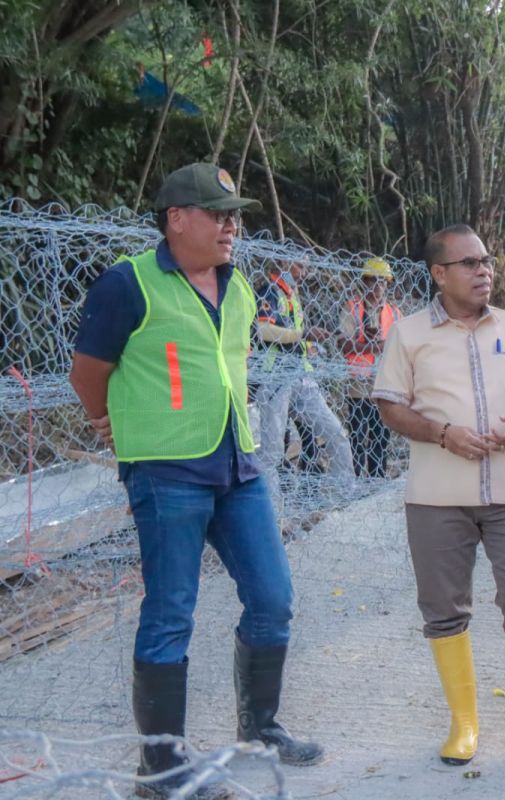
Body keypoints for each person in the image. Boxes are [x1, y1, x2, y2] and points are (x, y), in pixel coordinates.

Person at [68, 163, 322, 800]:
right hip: (167, 472)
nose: (232, 225)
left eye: (236, 213)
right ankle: (161, 773)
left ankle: (259, 728)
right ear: (177, 218)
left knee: (273, 599)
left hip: (238, 466)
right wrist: (107, 419)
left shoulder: (238, 289)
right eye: (218, 212)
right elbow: (87, 369)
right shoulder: (129, 284)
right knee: (169, 613)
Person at [372, 224, 505, 767]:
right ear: (439, 274)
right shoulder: (410, 334)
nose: (484, 270)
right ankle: (464, 726)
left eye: (486, 261)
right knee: (443, 611)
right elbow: (389, 406)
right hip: (438, 497)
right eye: (469, 263)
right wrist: (442, 433)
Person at [255, 259, 355, 508]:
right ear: (284, 262)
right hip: (275, 377)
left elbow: (292, 333)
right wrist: (303, 335)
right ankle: (273, 515)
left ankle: (343, 497)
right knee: (271, 452)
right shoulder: (268, 290)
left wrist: (308, 346)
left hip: (301, 375)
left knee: (336, 433)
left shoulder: (292, 294)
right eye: (301, 265)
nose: (305, 271)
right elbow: (262, 330)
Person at [339, 257, 401, 479]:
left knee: (380, 434)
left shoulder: (393, 312)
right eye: (373, 281)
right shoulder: (353, 308)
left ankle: (376, 479)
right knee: (358, 433)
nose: (378, 287)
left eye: (382, 282)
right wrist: (369, 347)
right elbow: (342, 343)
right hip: (358, 382)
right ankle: (356, 479)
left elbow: (402, 345)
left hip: (384, 381)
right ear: (364, 282)